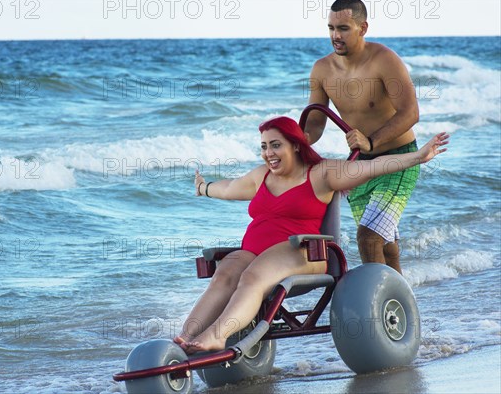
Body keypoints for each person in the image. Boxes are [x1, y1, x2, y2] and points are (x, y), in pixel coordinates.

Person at [174, 116, 448, 354]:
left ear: (295, 144)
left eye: (276, 145)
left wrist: (417, 157)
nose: (269, 153)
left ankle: (217, 336)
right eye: (264, 146)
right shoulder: (261, 176)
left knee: (252, 276)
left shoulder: (321, 173)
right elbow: (229, 187)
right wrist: (203, 187)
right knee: (225, 274)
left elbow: (372, 167)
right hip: (254, 252)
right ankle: (184, 340)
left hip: (302, 252)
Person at [303, 0, 420, 274]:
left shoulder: (384, 60)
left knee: (368, 238)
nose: (335, 35)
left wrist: (372, 140)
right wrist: (294, 145)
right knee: (386, 244)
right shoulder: (322, 69)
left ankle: (375, 310)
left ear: (362, 28)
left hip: (397, 160)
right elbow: (315, 123)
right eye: (331, 28)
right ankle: (400, 308)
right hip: (359, 163)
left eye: (343, 28)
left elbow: (410, 112)